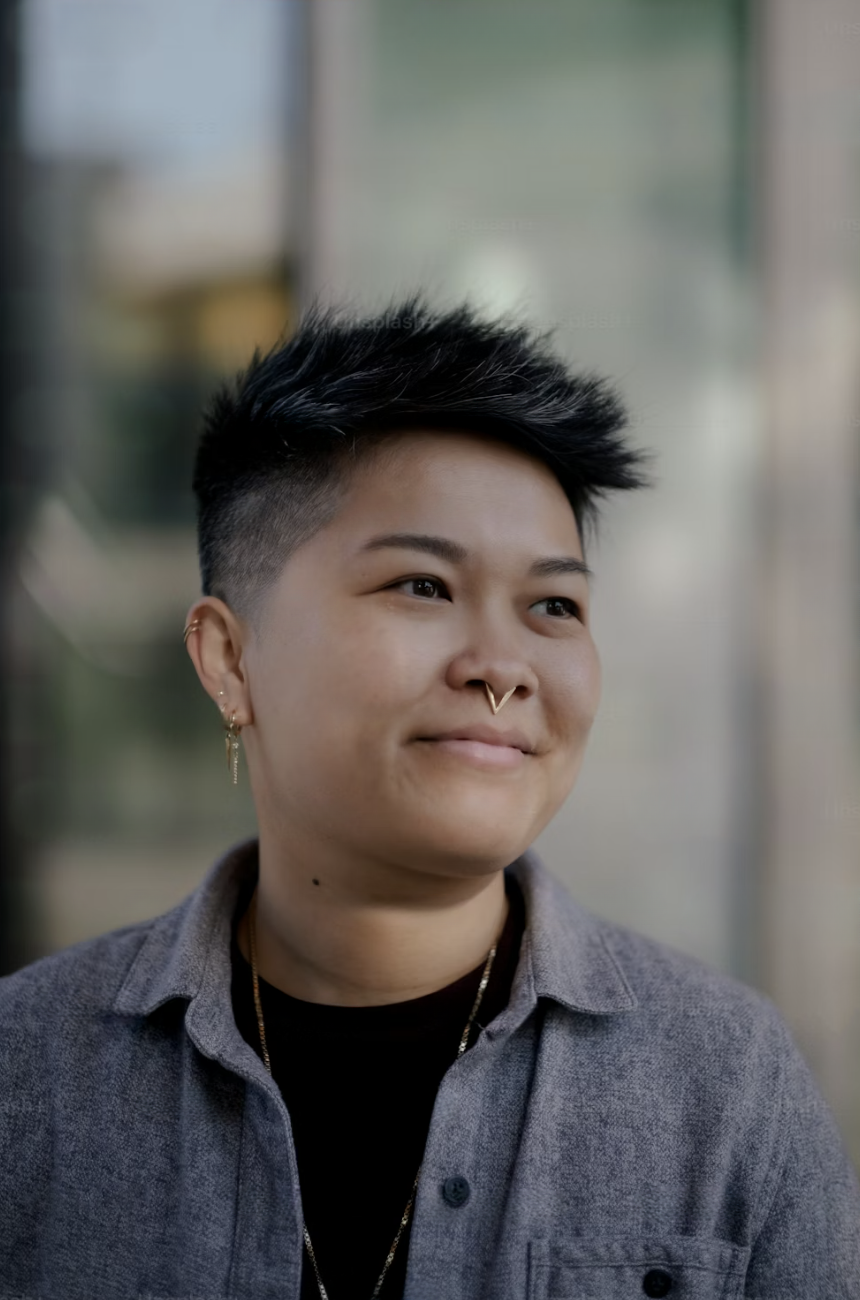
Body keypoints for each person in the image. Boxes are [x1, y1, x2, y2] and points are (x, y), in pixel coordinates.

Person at [1, 299, 858, 1300]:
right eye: (421, 585)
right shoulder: (28, 1076)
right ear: (229, 658)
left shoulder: (723, 1084)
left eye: (553, 605)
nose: (503, 668)